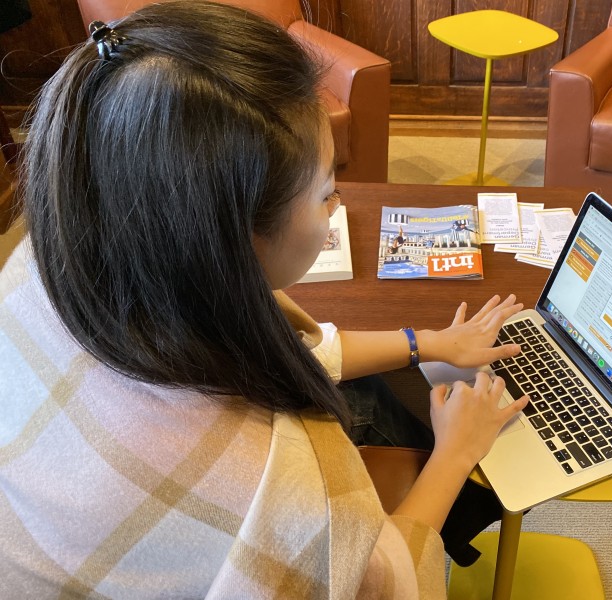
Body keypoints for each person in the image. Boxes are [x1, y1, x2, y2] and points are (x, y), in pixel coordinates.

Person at [0, 2, 528, 598]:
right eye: (327, 192)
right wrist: (457, 453)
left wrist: (425, 342)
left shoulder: (45, 266)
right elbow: (383, 585)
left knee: (391, 394)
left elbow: (295, 350)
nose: (336, 208)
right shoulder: (289, 490)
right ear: (240, 233)